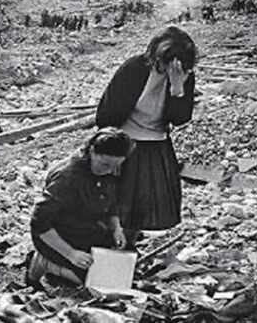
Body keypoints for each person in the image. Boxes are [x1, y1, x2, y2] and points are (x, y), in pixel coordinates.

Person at [95, 26, 197, 247]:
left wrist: (177, 89)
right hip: (123, 142)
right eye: (164, 64)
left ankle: (126, 247)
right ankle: (105, 246)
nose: (168, 69)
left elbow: (179, 119)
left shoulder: (184, 77)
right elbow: (107, 111)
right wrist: (108, 146)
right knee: (114, 202)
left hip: (155, 144)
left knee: (142, 205)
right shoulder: (134, 68)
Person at [27, 128, 134, 288]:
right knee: (92, 282)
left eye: (116, 165)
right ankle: (44, 262)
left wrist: (116, 228)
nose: (110, 171)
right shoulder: (67, 177)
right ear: (92, 151)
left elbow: (111, 202)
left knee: (124, 269)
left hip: (86, 231)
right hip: (58, 237)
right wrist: (70, 254)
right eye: (105, 164)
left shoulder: (107, 169)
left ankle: (65, 269)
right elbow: (39, 222)